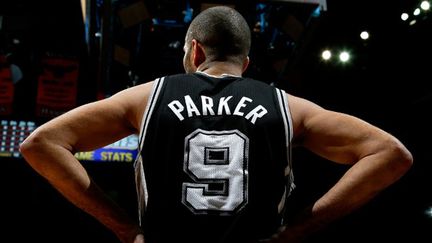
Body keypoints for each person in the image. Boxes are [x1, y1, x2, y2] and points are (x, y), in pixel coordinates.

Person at [19, 6, 413, 243]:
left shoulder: (146, 97)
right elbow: (391, 154)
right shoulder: (288, 107)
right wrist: (299, 230)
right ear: (244, 64)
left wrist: (122, 227)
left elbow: (40, 144)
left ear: (195, 50)